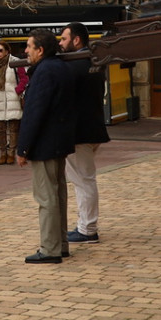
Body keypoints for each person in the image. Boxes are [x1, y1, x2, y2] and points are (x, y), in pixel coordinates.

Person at [16, 29, 77, 264]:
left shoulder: (44, 71)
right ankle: (59, 244)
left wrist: (23, 148)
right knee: (58, 193)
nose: (26, 51)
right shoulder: (60, 67)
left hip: (45, 142)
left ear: (40, 50)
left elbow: (34, 113)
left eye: (29, 47)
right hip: (59, 140)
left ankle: (50, 248)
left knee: (46, 197)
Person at [60, 22, 110, 245]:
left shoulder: (73, 65)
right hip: (93, 128)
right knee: (84, 179)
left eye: (63, 39)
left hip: (79, 132)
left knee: (83, 180)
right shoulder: (95, 62)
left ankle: (88, 228)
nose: (61, 44)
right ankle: (85, 224)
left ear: (76, 40)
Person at [0, 41, 24, 165]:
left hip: (13, 99)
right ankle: (2, 153)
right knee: (0, 129)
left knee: (14, 129)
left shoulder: (15, 62)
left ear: (7, 52)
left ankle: (11, 153)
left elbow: (24, 79)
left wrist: (17, 90)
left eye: (0, 50)